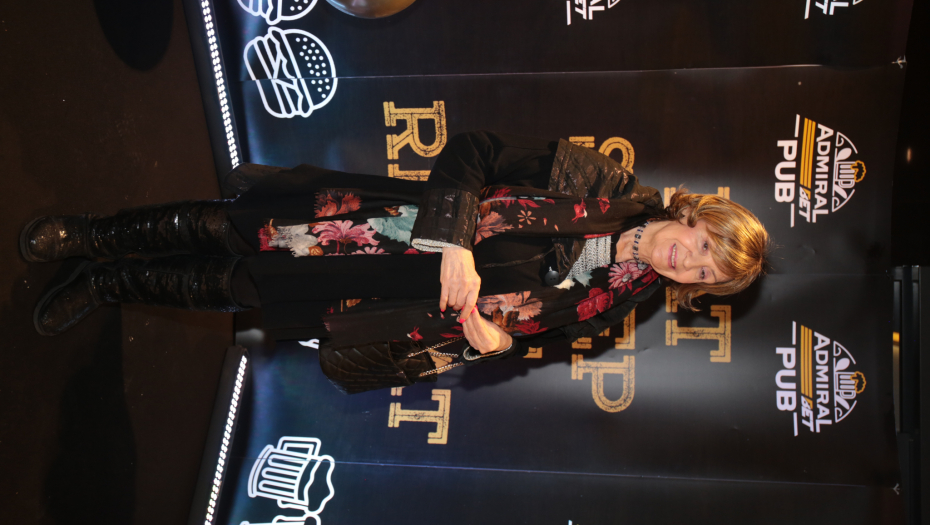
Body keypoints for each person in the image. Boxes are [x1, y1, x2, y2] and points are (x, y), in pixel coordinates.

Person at [21, 131, 769, 393]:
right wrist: (456, 243)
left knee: (234, 288)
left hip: (382, 303)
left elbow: (527, 335)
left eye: (706, 275)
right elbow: (474, 152)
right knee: (228, 227)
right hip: (382, 228)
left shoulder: (624, 301)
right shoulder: (602, 183)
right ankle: (92, 236)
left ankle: (106, 284)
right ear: (694, 217)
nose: (690, 263)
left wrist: (496, 343)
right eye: (704, 246)